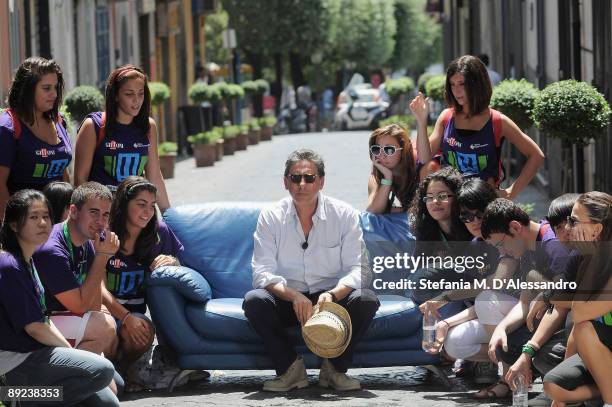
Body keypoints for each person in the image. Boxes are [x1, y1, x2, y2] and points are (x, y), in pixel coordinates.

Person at [242, 149, 380, 392]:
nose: (302, 184)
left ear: (321, 181)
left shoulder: (344, 214)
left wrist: (333, 295)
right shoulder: (271, 216)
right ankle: (290, 369)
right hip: (288, 298)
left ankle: (334, 370)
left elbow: (360, 269)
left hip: (331, 299)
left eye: (309, 178)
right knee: (255, 301)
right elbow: (261, 272)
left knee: (366, 299)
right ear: (285, 182)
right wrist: (293, 296)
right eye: (295, 178)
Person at [0, 189, 119, 406]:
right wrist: (74, 357)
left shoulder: (29, 261)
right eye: (33, 218)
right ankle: (20, 399)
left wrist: (74, 358)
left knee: (108, 401)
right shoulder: (9, 265)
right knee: (102, 370)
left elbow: (45, 319)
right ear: (14, 225)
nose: (43, 223)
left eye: (45, 216)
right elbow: (36, 327)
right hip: (15, 363)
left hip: (38, 351)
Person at [418, 178, 519, 387]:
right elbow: (480, 304)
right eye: (466, 215)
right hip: (496, 315)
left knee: (485, 300)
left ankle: (510, 377)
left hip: (525, 313)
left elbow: (496, 284)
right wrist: (446, 323)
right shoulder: (475, 245)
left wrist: (445, 298)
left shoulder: (507, 235)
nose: (474, 221)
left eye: (479, 214)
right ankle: (510, 358)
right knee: (455, 342)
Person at [479, 198, 578, 400]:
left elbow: (564, 300)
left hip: (570, 320)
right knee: (505, 345)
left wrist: (530, 347)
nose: (502, 252)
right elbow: (525, 301)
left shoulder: (553, 245)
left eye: (501, 244)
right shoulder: (526, 249)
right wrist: (502, 328)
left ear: (515, 228)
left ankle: (565, 390)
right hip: (548, 315)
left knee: (533, 352)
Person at [409, 55, 544, 200]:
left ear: (476, 84)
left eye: (461, 83)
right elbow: (424, 157)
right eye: (452, 84)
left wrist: (511, 192)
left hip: (484, 206)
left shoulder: (498, 121)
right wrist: (421, 122)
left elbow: (536, 155)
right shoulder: (446, 117)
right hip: (451, 204)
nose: (456, 90)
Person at [33, 182, 120, 361]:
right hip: (32, 326)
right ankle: (62, 379)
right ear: (73, 211)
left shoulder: (88, 241)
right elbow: (80, 306)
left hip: (60, 319)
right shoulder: (51, 250)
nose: (101, 222)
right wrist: (102, 257)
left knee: (113, 386)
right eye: (94, 212)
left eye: (105, 215)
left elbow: (93, 306)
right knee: (104, 327)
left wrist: (98, 254)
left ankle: (68, 381)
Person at [103, 176, 183, 367]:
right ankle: (111, 372)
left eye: (152, 205)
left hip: (136, 315)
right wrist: (124, 317)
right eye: (141, 204)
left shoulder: (159, 232)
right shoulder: (104, 233)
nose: (148, 212)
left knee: (143, 331)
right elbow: (98, 289)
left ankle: (125, 369)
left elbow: (185, 269)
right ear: (124, 204)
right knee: (107, 331)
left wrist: (172, 261)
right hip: (103, 312)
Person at [543, 191, 612, 407]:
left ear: (597, 229)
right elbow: (577, 318)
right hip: (603, 348)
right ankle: (603, 389)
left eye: (573, 221)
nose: (568, 227)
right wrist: (559, 400)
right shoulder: (589, 256)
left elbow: (580, 312)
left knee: (583, 327)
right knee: (553, 384)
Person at [74, 64, 170, 211]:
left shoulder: (149, 127)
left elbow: (155, 176)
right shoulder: (93, 126)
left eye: (141, 93)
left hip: (136, 215)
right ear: (116, 96)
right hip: (103, 215)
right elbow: (80, 180)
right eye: (129, 94)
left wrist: (169, 217)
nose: (136, 100)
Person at [0, 57, 72, 219]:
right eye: (46, 88)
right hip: (23, 225)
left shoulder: (59, 121)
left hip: (58, 225)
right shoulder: (7, 127)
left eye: (55, 87)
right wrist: (14, 227)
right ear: (27, 89)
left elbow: (63, 172)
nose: (54, 94)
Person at [408, 166, 473, 304]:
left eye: (442, 196)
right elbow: (418, 267)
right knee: (415, 282)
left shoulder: (472, 224)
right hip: (441, 290)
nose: (435, 202)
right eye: (430, 197)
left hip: (471, 285)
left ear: (457, 197)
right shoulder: (425, 229)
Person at [366, 124, 430, 213]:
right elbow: (372, 210)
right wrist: (388, 178)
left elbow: (429, 208)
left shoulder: (420, 165)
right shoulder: (378, 172)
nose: (382, 156)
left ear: (403, 149)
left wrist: (391, 210)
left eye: (389, 149)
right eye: (376, 149)